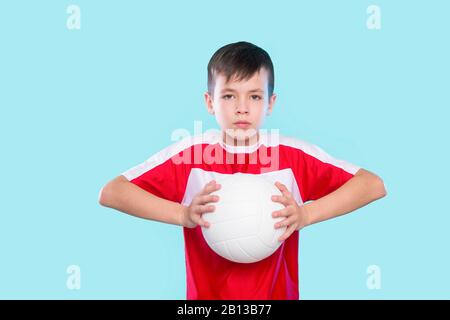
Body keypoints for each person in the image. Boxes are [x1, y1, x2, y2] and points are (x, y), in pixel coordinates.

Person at [98, 41, 387, 299]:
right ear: (209, 102)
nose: (242, 108)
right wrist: (182, 214)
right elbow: (113, 192)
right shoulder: (191, 156)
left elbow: (372, 185)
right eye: (228, 96)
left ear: (271, 103)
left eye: (255, 96)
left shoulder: (291, 157)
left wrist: (306, 214)